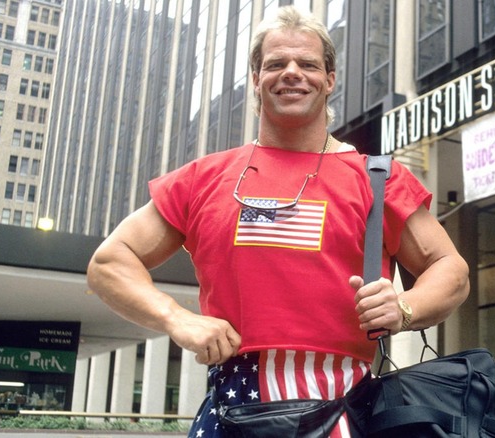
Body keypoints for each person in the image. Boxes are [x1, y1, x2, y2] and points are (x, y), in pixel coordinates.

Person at [86, 5, 470, 438]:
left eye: (307, 64)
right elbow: (109, 263)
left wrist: (403, 308)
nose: (292, 73)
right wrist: (178, 319)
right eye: (275, 64)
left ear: (330, 79)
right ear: (256, 80)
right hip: (235, 403)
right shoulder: (203, 178)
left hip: (345, 410)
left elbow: (451, 270)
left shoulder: (377, 178)